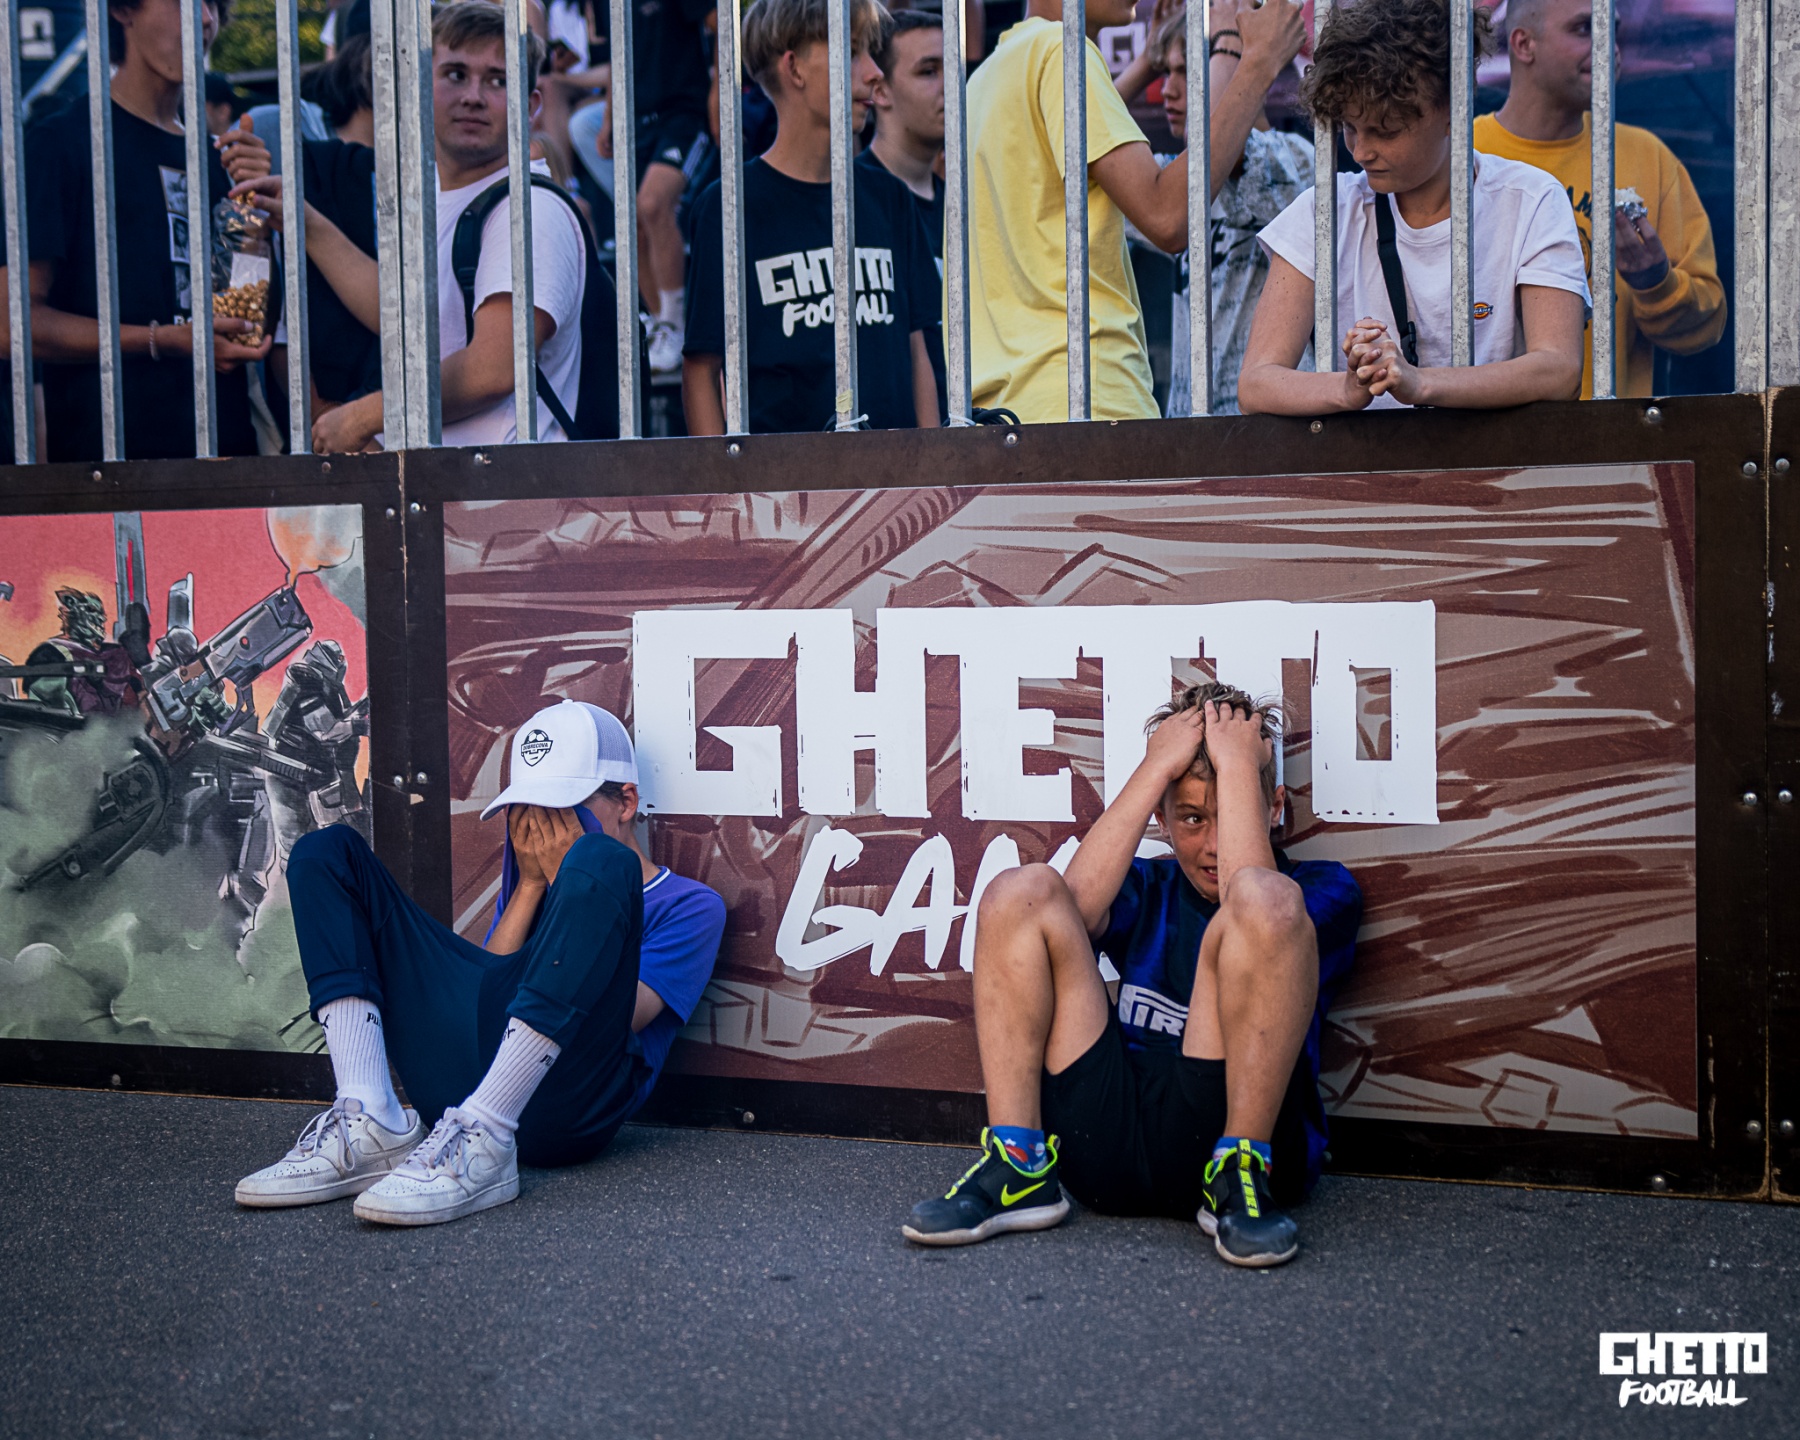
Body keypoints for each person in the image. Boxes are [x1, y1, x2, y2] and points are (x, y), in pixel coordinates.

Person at [903, 683, 1361, 1267]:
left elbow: (1250, 902)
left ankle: (1240, 1165)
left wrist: (1238, 767)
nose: (1214, 844)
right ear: (1162, 820)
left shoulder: (1320, 891)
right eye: (1192, 818)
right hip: (1110, 1136)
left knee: (1264, 899)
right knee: (1020, 891)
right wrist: (1154, 769)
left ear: (1272, 808)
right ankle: (1018, 1164)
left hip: (1232, 1142)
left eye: (1233, 811)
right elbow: (1070, 912)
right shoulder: (1151, 886)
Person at [236, 700, 728, 1226]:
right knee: (325, 851)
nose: (541, 827)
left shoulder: (691, 906)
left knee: (603, 860)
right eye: (528, 808)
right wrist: (532, 887)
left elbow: (620, 1019)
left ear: (625, 802)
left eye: (561, 808)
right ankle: (370, 1118)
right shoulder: (530, 884)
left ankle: (489, 1132)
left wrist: (574, 881)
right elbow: (488, 995)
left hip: (565, 1111)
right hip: (459, 1093)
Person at [1238, 0, 1591, 415]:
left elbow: (1560, 369)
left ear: (1454, 109)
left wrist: (1419, 382)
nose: (1362, 151)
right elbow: (1256, 383)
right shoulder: (1322, 212)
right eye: (1349, 128)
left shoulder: (1532, 200)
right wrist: (1346, 389)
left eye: (1385, 130)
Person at [964, 0, 1303, 423]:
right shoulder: (1062, 52)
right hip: (1086, 397)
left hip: (1005, 410)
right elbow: (1168, 217)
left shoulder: (986, 77)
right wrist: (1256, 61)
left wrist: (1146, 63)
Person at [281, 2, 589, 450]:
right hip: (454, 487)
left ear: (530, 106)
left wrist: (364, 417)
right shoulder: (450, 201)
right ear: (420, 87)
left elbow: (495, 367)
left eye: (498, 80)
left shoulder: (529, 208)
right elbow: (402, 313)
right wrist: (303, 222)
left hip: (504, 489)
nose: (473, 96)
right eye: (456, 74)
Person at [6, 0, 265, 462]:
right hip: (108, 468)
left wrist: (255, 209)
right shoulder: (60, 144)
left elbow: (244, 317)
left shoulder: (217, 157)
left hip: (227, 460)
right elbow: (14, 324)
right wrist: (158, 340)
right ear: (124, 11)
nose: (206, 18)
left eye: (213, 4)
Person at [681, 0, 939, 435]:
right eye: (852, 52)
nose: (874, 72)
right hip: (781, 475)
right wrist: (726, 477)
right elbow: (702, 369)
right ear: (794, 68)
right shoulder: (729, 207)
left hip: (899, 472)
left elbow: (918, 352)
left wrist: (934, 466)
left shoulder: (890, 197)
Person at [1475, 0, 1724, 398]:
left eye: (1613, 30)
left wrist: (1656, 284)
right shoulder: (1464, 156)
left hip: (1610, 432)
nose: (1609, 46)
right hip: (1479, 431)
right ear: (1523, 44)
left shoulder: (1649, 158)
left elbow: (1707, 327)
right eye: (1584, 28)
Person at [1118, 0, 1309, 415]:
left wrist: (1229, 42)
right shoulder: (1173, 184)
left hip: (1267, 429)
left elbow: (1224, 143)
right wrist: (1146, 59)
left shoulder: (1296, 161)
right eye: (1165, 73)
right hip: (1191, 427)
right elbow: (1081, 151)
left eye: (1186, 71)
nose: (1167, 90)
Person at [594, 0, 717, 373]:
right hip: (636, 117)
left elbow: (721, 25)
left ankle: (674, 325)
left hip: (684, 112)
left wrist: (719, 89)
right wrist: (609, 116)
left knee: (652, 204)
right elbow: (617, 55)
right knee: (633, 221)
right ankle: (661, 324)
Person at [858, 8, 946, 418]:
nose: (950, 85)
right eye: (928, 71)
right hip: (886, 447)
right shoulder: (846, 206)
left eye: (953, 68)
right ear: (880, 90)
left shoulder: (968, 205)